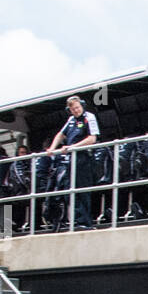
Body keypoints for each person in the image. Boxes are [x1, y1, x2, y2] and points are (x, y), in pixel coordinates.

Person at [47, 95, 99, 230]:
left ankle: (86, 223)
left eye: (77, 107)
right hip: (72, 159)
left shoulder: (89, 117)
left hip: (84, 158)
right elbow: (60, 134)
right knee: (70, 190)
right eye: (73, 109)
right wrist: (52, 148)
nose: (76, 111)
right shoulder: (71, 119)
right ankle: (78, 220)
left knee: (82, 190)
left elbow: (92, 138)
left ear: (82, 105)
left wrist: (72, 147)